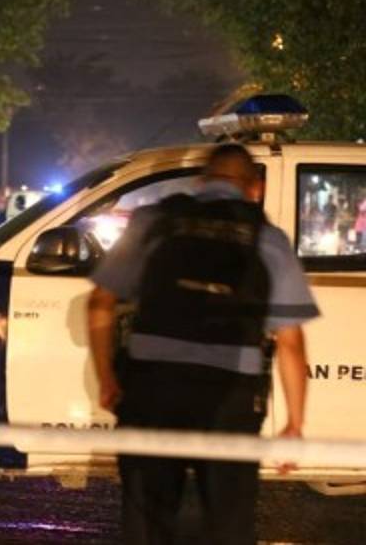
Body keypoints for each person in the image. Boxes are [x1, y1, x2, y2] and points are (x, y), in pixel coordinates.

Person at [88, 143, 317, 545]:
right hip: (230, 398)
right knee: (229, 524)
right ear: (255, 189)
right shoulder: (269, 239)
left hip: (152, 389)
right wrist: (295, 424)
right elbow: (291, 342)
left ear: (200, 182)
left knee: (147, 521)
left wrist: (107, 377)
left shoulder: (153, 221)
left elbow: (99, 304)